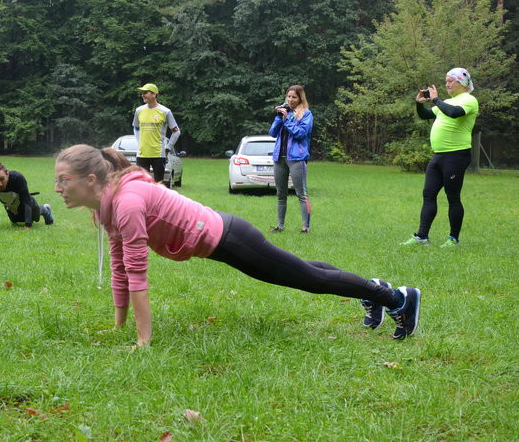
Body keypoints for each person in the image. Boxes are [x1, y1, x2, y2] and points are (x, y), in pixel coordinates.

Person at [54, 145, 421, 347]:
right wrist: (119, 327)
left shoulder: (127, 202)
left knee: (307, 277)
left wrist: (143, 340)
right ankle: (376, 292)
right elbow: (119, 268)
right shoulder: (109, 208)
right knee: (302, 269)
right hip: (225, 237)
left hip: (229, 238)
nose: (57, 188)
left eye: (63, 180)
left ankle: (397, 299)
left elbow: (137, 274)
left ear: (89, 179)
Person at [402, 68, 479, 248]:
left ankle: (453, 239)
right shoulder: (448, 102)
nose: (447, 84)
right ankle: (422, 237)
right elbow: (425, 115)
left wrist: (436, 99)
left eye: (450, 81)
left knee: (453, 197)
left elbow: (454, 113)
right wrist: (419, 103)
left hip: (456, 155)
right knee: (428, 194)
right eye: (446, 81)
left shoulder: (469, 100)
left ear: (462, 83)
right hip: (439, 156)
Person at [268, 85, 314, 233]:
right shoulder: (284, 113)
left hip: (296, 158)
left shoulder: (306, 114)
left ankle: (305, 227)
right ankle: (280, 226)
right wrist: (278, 117)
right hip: (279, 158)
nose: (290, 99)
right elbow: (272, 133)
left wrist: (287, 120)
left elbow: (300, 133)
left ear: (300, 98)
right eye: (288, 96)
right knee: (281, 195)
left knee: (301, 194)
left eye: (294, 97)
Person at [0, 162, 54, 230]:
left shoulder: (17, 178)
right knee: (15, 220)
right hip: (10, 205)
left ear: (7, 174)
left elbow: (27, 202)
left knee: (35, 217)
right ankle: (26, 217)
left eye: (2, 179)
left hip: (26, 201)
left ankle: (45, 209)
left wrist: (27, 226)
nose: (0, 184)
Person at [132, 83, 180, 184]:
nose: (143, 95)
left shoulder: (165, 111)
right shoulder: (139, 110)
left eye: (145, 92)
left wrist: (168, 148)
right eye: (142, 93)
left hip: (158, 154)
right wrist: (139, 142)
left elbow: (176, 132)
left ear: (154, 94)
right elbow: (136, 127)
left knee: (159, 185)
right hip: (142, 154)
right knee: (141, 183)